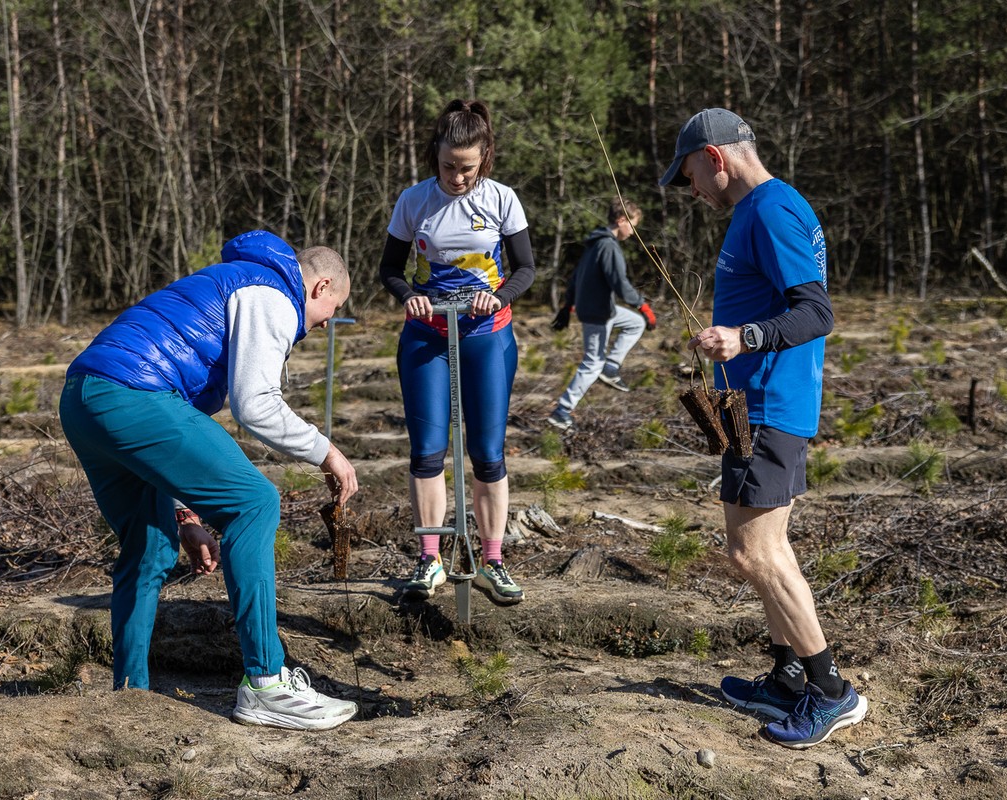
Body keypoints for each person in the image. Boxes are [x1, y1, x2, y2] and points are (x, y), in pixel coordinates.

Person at [59, 229, 360, 731]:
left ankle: (128, 694)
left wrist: (186, 515)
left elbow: (172, 436)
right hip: (136, 393)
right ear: (321, 286)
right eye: (332, 312)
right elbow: (255, 404)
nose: (325, 325)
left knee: (151, 547)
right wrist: (327, 452)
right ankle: (267, 682)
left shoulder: (231, 282)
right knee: (255, 502)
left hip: (84, 399)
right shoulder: (273, 292)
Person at [659, 108, 867, 748]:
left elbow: (816, 312)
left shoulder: (772, 209)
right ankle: (785, 677)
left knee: (754, 553)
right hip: (759, 405)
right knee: (762, 549)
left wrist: (742, 337)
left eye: (690, 173)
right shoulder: (765, 209)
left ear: (715, 158)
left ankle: (832, 692)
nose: (691, 189)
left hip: (769, 407)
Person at [379, 98, 536, 606]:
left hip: (486, 333)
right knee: (427, 451)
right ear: (435, 156)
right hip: (426, 335)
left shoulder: (502, 200)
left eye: (468, 168)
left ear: (485, 158)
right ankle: (431, 560)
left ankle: (493, 561)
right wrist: (409, 295)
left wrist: (500, 295)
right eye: (449, 166)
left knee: (487, 454)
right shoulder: (414, 201)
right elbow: (390, 270)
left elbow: (525, 269)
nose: (458, 177)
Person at [547, 198, 657, 431]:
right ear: (621, 220)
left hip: (603, 309)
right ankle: (562, 411)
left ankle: (611, 366)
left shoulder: (595, 243)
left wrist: (568, 306)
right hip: (597, 313)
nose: (633, 232)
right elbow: (620, 283)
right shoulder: (607, 246)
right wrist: (643, 306)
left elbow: (575, 276)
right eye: (633, 225)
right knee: (592, 363)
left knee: (634, 324)